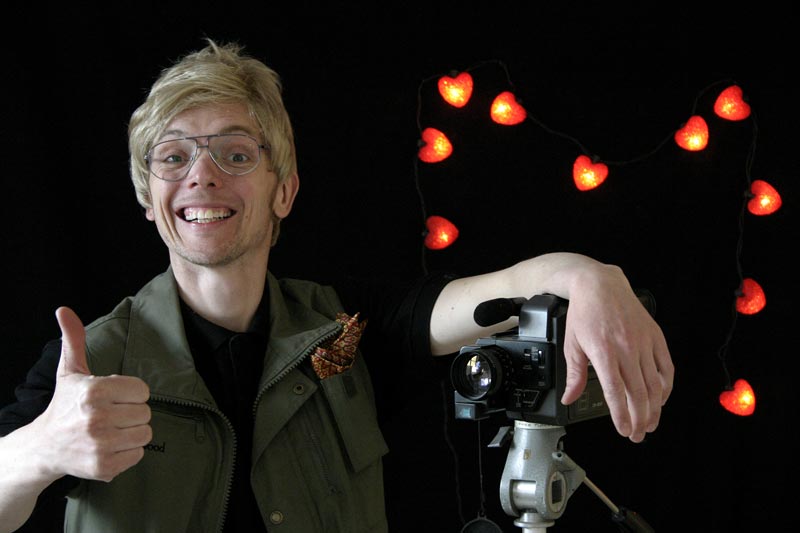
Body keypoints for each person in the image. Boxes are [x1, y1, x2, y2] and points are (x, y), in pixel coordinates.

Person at [0, 39, 673, 533]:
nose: (201, 176)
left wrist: (587, 275)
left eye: (235, 153)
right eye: (173, 157)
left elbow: (490, 295)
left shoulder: (346, 324)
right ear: (150, 197)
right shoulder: (91, 360)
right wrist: (40, 449)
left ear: (284, 190)